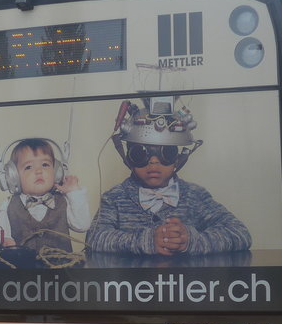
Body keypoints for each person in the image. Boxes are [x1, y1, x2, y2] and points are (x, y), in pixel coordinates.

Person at [87, 97, 250, 256]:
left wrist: (192, 240)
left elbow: (240, 233)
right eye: (140, 153)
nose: (153, 163)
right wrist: (144, 241)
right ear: (128, 157)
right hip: (130, 283)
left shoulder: (195, 196)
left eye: (167, 153)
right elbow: (94, 238)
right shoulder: (114, 198)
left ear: (178, 158)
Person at [0, 138, 90, 255]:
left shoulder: (64, 201)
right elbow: (0, 235)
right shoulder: (8, 205)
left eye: (45, 164)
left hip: (61, 269)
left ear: (57, 173)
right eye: (28, 167)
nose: (39, 171)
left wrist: (73, 192)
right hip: (23, 270)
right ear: (13, 177)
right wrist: (6, 240)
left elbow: (82, 225)